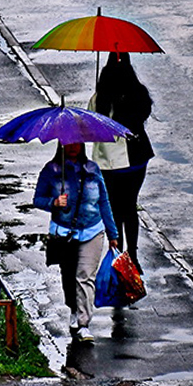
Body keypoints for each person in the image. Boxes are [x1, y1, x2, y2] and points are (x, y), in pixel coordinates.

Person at [33, 142, 120, 342]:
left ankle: (84, 324)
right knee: (69, 276)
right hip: (65, 234)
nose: (73, 147)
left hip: (92, 231)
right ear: (61, 146)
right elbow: (37, 199)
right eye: (68, 144)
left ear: (82, 145)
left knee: (85, 277)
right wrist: (53, 203)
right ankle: (73, 307)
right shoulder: (52, 170)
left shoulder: (92, 169)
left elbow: (103, 202)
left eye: (76, 143)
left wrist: (112, 233)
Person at [88, 51, 154, 274]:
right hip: (135, 160)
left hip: (107, 164)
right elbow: (142, 117)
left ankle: (119, 254)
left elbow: (90, 128)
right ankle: (133, 256)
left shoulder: (99, 99)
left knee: (115, 208)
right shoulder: (137, 94)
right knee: (129, 206)